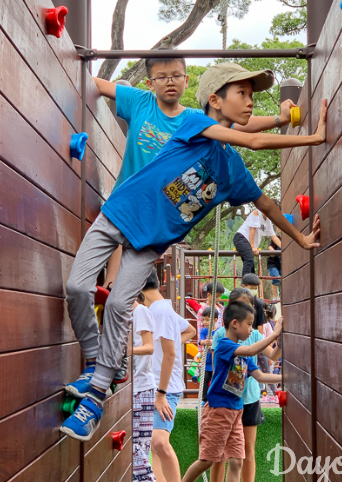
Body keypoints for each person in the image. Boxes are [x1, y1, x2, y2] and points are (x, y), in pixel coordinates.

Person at [60, 62, 326, 444]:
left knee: (120, 304)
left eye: (253, 96)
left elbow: (267, 206)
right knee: (77, 287)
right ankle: (97, 363)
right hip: (120, 213)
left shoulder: (233, 170)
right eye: (243, 94)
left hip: (151, 241)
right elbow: (251, 139)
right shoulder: (191, 124)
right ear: (214, 100)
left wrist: (299, 240)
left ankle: (97, 395)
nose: (250, 102)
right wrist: (313, 138)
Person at [95, 56, 297, 289]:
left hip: (156, 209)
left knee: (130, 269)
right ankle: (110, 285)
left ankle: (115, 292)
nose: (170, 81)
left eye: (176, 76)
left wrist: (278, 119)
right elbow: (98, 84)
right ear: (150, 83)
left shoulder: (194, 118)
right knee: (118, 244)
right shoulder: (140, 101)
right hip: (129, 198)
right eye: (161, 77)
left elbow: (237, 125)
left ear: (186, 81)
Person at [167, 302, 282, 482]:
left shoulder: (245, 355)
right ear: (235, 324)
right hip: (218, 412)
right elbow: (250, 350)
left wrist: (287, 377)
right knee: (207, 460)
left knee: (237, 461)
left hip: (236, 413)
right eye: (249, 324)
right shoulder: (224, 346)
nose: (251, 329)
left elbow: (261, 377)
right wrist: (274, 334)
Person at [207, 289, 282, 482]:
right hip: (224, 402)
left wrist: (279, 339)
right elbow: (220, 366)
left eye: (249, 315)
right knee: (219, 453)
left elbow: (270, 359)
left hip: (247, 399)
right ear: (232, 320)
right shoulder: (222, 337)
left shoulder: (255, 335)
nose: (246, 322)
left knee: (245, 452)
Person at [137, 270, 196, 482]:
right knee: (155, 446)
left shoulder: (160, 311)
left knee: (159, 442)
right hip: (157, 386)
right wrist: (166, 345)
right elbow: (189, 330)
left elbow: (170, 355)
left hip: (165, 388)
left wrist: (161, 394)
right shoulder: (160, 308)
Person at [131, 293, 158, 482]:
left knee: (139, 446)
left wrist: (126, 350)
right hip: (136, 387)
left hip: (141, 387)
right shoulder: (128, 315)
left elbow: (149, 347)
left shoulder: (140, 311)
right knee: (138, 445)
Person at [233, 203, 279, 276]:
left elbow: (274, 236)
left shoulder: (268, 222)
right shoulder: (257, 213)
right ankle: (245, 284)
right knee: (249, 259)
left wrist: (284, 248)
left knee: (251, 268)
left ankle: (251, 285)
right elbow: (252, 229)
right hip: (241, 237)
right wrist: (253, 246)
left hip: (248, 243)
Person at [199, 308, 218, 402]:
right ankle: (204, 399)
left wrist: (213, 343)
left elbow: (219, 343)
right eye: (203, 319)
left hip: (215, 363)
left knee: (215, 381)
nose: (204, 322)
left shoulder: (218, 332)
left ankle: (214, 398)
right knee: (205, 381)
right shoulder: (204, 331)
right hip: (207, 362)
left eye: (207, 319)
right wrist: (205, 342)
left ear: (215, 320)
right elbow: (200, 341)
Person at [267, 234, 282, 301]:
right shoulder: (272, 246)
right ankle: (275, 296)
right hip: (272, 264)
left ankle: (282, 295)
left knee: (285, 278)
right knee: (275, 277)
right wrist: (272, 250)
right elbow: (271, 254)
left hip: (280, 264)